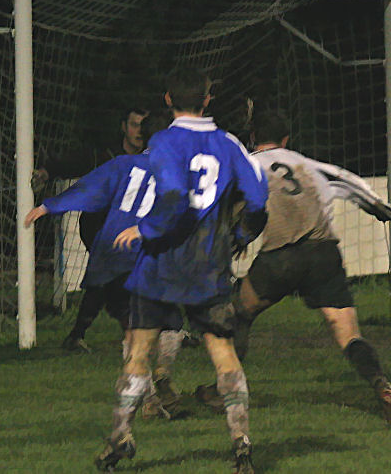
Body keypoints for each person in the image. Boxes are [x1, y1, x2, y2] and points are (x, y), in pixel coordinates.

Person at [95, 68, 268, 474]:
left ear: (168, 99)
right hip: (208, 266)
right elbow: (259, 198)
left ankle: (121, 436)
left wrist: (147, 228)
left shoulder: (164, 140)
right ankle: (241, 442)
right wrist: (239, 234)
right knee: (222, 353)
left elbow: (172, 195)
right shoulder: (228, 144)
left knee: (139, 351)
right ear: (207, 101)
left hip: (161, 265)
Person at [195, 108, 391, 429]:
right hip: (324, 255)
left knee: (238, 314)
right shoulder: (309, 165)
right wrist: (380, 209)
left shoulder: (246, 165)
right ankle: (381, 384)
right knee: (349, 334)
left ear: (253, 138)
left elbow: (221, 201)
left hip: (280, 259)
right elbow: (351, 183)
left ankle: (221, 391)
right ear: (286, 138)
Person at [24, 111, 186, 419]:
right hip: (150, 261)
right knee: (173, 326)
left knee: (131, 332)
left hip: (114, 258)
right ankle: (163, 372)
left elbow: (90, 188)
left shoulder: (123, 165)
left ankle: (150, 398)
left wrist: (47, 206)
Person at [31, 108, 150, 352]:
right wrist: (48, 172)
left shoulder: (153, 160)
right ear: (123, 127)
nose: (138, 131)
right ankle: (141, 332)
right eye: (134, 124)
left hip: (131, 231)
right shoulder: (107, 158)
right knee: (110, 275)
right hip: (99, 227)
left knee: (114, 279)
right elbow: (77, 166)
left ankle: (85, 334)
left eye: (142, 126)